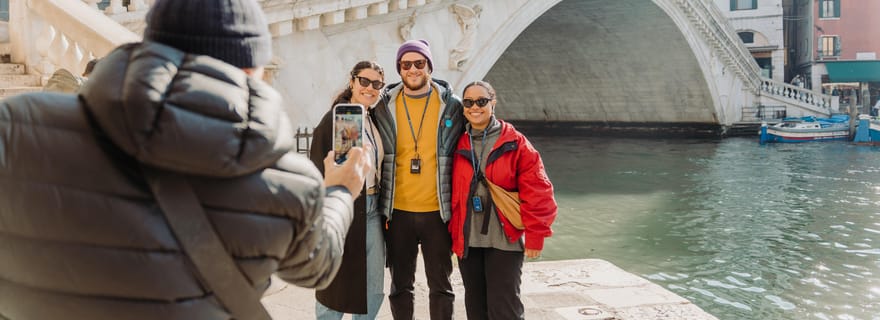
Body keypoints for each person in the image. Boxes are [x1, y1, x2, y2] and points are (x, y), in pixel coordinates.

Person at [0, 0, 369, 319]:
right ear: (251, 70)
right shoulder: (288, 181)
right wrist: (339, 190)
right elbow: (317, 267)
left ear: (151, 47)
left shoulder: (16, 125)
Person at [371, 39, 465, 319]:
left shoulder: (452, 105)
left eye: (419, 63)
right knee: (400, 286)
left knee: (442, 286)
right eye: (406, 64)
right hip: (397, 211)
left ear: (429, 66)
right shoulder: (383, 106)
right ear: (399, 69)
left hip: (438, 211)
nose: (412, 69)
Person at [448, 81, 558, 320]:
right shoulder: (457, 141)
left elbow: (539, 190)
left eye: (481, 101)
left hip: (505, 239)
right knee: (475, 306)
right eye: (468, 102)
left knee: (505, 307)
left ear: (493, 102)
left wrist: (536, 235)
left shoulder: (515, 142)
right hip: (469, 238)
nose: (474, 107)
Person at [310, 61, 387, 319]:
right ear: (352, 82)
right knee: (335, 286)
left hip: (373, 209)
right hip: (348, 206)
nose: (370, 88)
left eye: (377, 84)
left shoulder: (372, 118)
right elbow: (339, 169)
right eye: (364, 81)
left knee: (373, 288)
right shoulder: (345, 117)